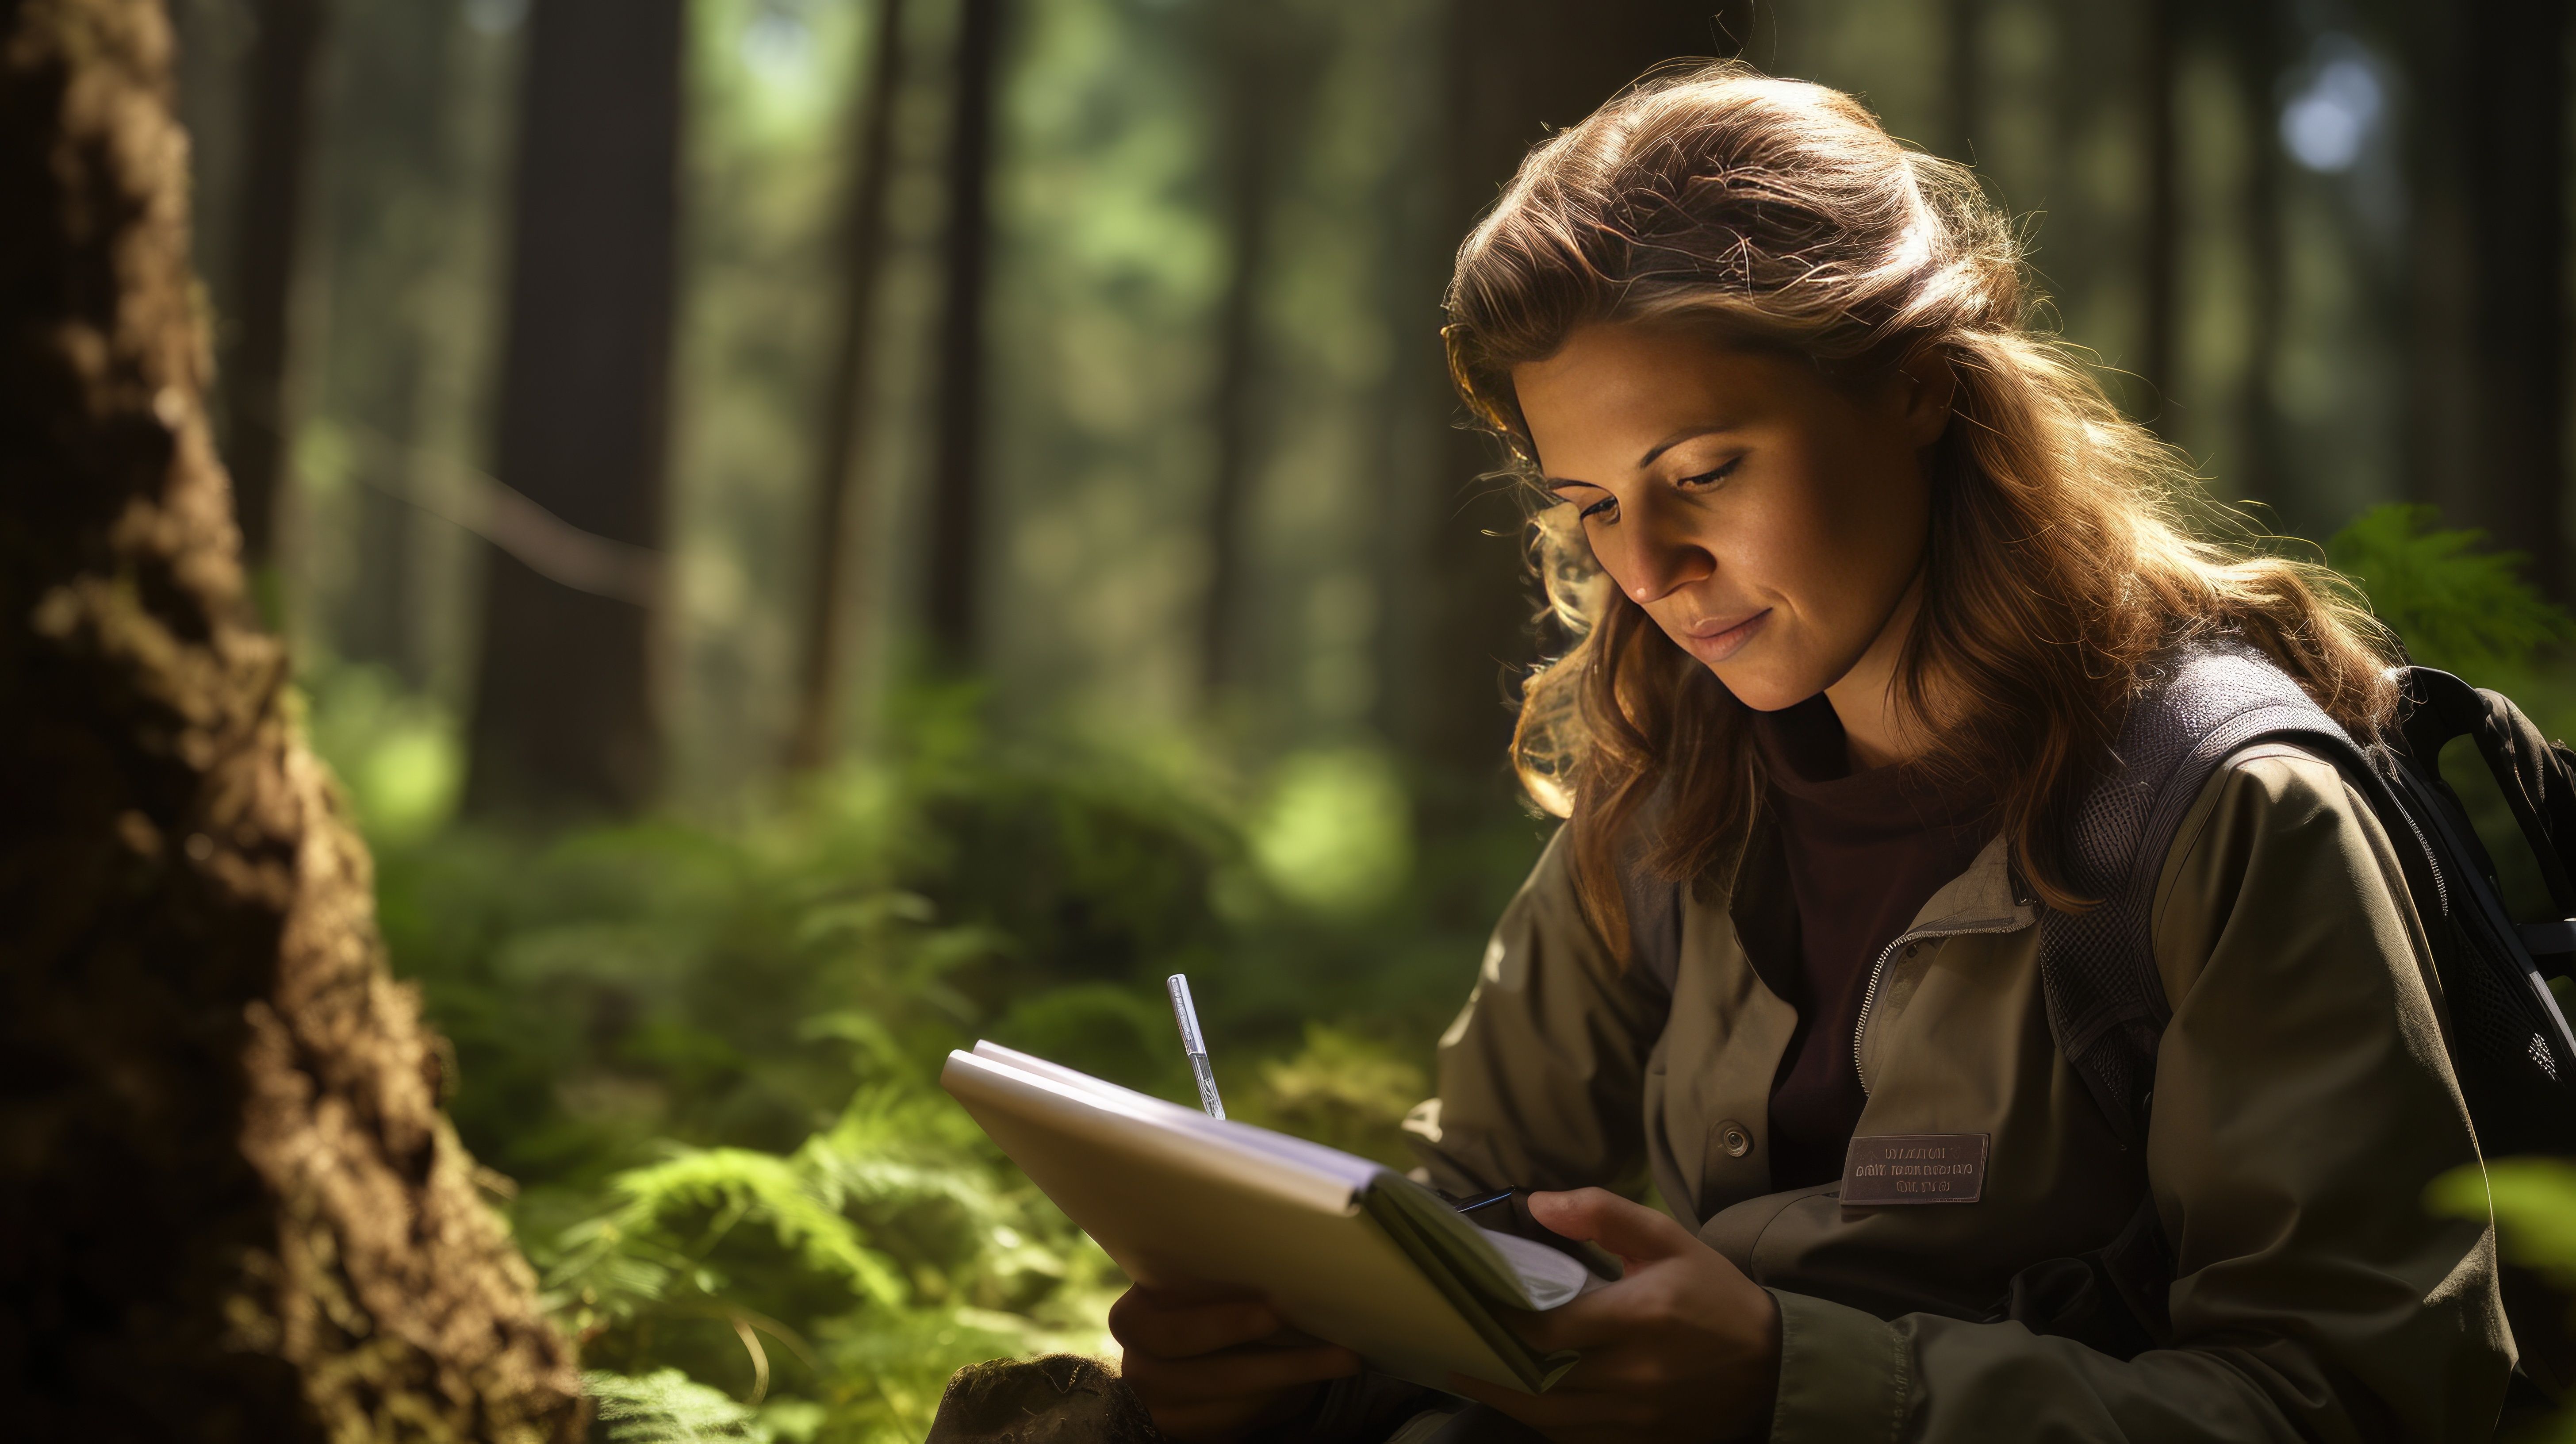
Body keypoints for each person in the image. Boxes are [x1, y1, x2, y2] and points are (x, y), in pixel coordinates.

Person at [1108, 63, 2514, 1442]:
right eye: (1595, 505)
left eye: (1705, 472)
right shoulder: (1672, 794)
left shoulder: (2225, 814)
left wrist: (1788, 1383)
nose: (1648, 568)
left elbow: (2358, 1398)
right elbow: (1468, 1207)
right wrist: (1285, 1360)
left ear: (1916, 387)